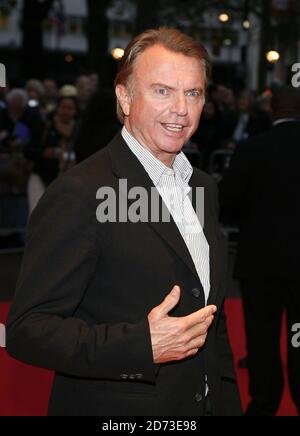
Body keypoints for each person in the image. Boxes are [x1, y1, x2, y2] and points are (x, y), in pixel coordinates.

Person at [6, 28, 241, 417]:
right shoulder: (81, 192)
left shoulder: (201, 187)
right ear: (125, 97)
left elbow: (212, 320)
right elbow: (28, 330)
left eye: (193, 93)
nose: (181, 109)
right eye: (162, 90)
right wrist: (140, 346)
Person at [219, 86, 300, 416]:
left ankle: (264, 403)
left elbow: (227, 203)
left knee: (262, 336)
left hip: (260, 260)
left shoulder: (252, 148)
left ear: (273, 110)